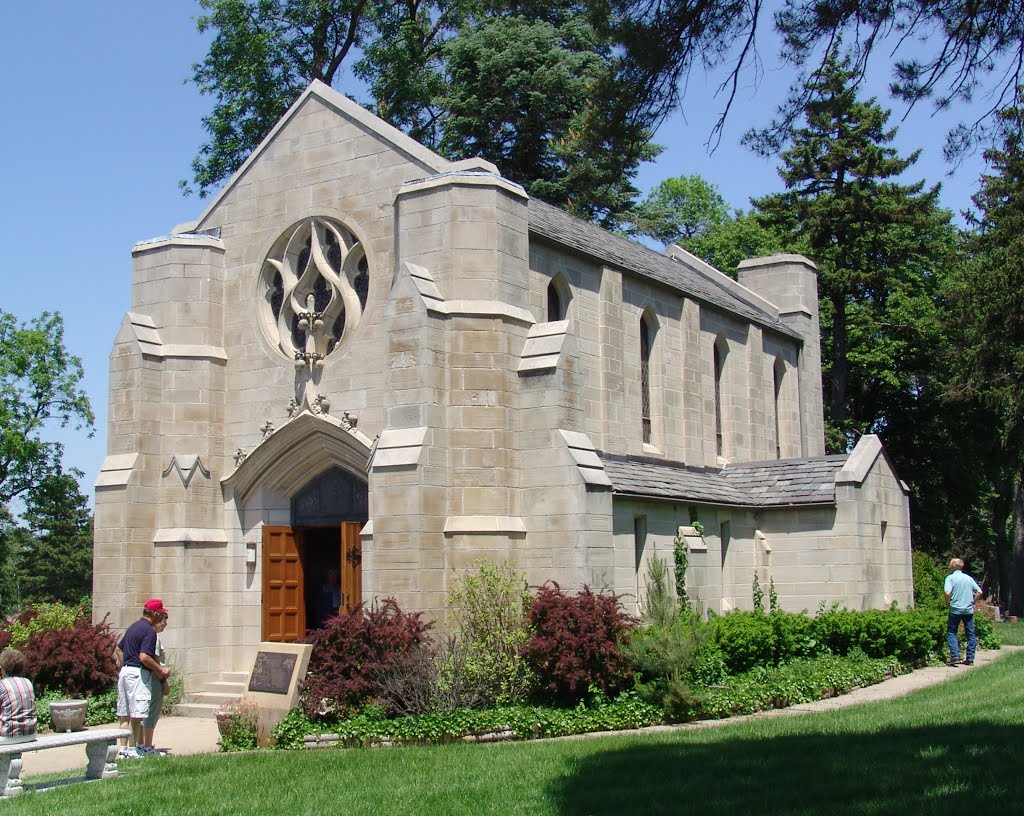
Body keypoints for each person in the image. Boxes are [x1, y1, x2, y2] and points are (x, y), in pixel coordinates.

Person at [116, 599, 172, 758]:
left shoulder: (133, 627)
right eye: (161, 613)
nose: (162, 616)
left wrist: (125, 666)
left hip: (125, 672)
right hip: (137, 674)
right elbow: (144, 656)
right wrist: (160, 669)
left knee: (125, 713)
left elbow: (119, 650)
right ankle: (134, 750)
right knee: (136, 714)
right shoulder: (149, 631)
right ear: (155, 613)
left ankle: (123, 750)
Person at [140, 611, 170, 756]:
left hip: (145, 677)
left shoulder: (142, 633)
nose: (165, 624)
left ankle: (140, 745)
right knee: (151, 712)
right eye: (164, 620)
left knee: (141, 712)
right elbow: (155, 660)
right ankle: (147, 745)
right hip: (154, 679)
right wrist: (164, 681)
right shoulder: (153, 637)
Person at [944, 558, 982, 666]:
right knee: (970, 634)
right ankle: (970, 658)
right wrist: (973, 601)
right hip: (968, 609)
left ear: (953, 566)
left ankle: (955, 656)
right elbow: (979, 591)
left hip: (955, 609)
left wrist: (947, 603)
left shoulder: (950, 578)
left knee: (951, 632)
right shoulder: (968, 578)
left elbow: (947, 593)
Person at [0, 648, 36, 745]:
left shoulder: (2, 685)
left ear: (4, 667)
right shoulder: (28, 682)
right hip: (31, 734)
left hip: (8, 736)